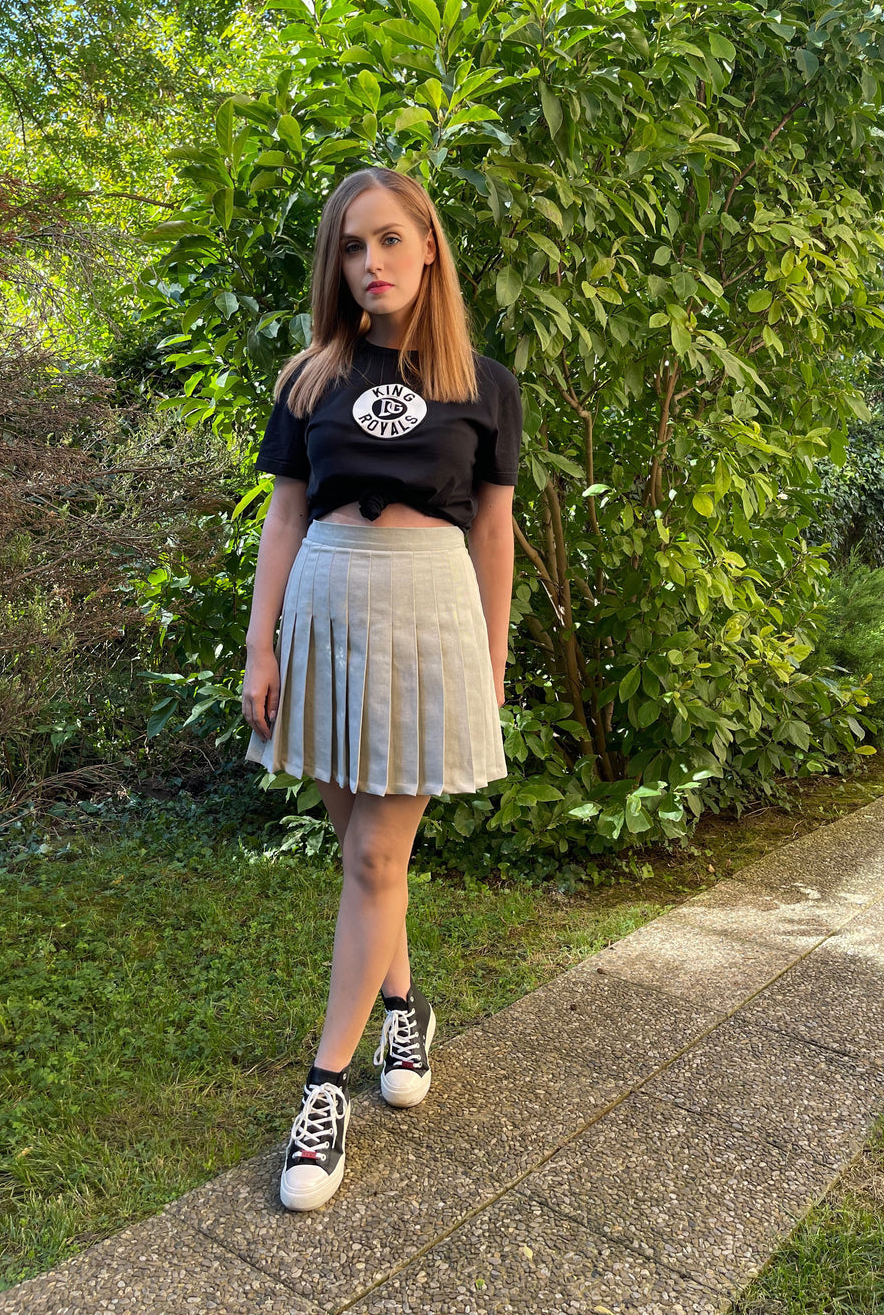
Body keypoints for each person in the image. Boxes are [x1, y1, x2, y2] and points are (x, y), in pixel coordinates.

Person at [241, 165, 523, 1212]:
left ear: (430, 247)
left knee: (373, 852)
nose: (372, 264)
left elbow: (493, 528)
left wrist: (490, 660)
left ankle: (323, 1092)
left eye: (391, 241)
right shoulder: (308, 376)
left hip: (429, 604)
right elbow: (284, 514)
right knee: (366, 847)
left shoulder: (484, 383)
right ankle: (403, 1008)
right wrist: (260, 648)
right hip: (324, 601)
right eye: (354, 247)